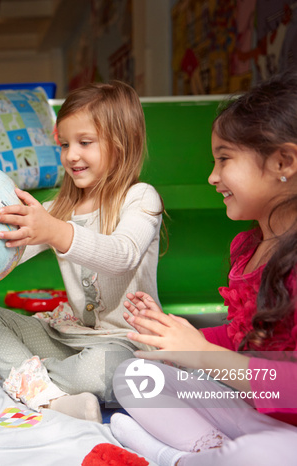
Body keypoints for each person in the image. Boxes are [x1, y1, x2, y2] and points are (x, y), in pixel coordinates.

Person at [110, 70, 297, 465]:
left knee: (258, 455)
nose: (212, 177)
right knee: (134, 376)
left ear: (284, 161)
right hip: (258, 416)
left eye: (224, 159)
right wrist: (174, 340)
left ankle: (171, 457)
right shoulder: (249, 247)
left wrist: (202, 355)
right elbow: (242, 337)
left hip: (284, 434)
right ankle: (209, 452)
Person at [0, 81, 164, 422]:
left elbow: (122, 256)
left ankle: (18, 373)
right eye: (64, 144)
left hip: (126, 344)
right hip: (72, 336)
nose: (71, 155)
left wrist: (55, 230)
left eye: (84, 142)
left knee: (104, 374)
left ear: (122, 143)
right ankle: (50, 396)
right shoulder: (59, 207)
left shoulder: (141, 197)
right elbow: (10, 252)